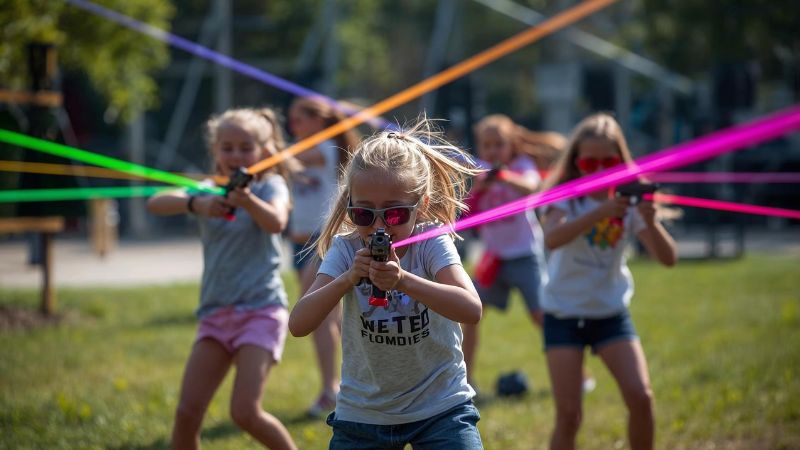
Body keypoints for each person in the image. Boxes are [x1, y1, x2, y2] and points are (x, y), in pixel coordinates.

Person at [288, 120, 485, 449]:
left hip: (440, 407)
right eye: (364, 215)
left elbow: (471, 308)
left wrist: (404, 280)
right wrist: (348, 279)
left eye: (394, 215)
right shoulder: (347, 248)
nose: (379, 225)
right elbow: (298, 323)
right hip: (364, 414)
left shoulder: (430, 241)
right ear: (351, 206)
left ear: (419, 206)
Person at [147, 107, 297, 450]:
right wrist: (195, 205)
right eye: (227, 147)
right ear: (215, 151)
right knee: (187, 413)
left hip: (261, 311)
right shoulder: (205, 190)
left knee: (244, 412)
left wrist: (247, 202)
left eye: (246, 147)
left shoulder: (270, 186)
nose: (235, 155)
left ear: (263, 150)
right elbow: (155, 203)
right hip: (216, 313)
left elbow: (276, 222)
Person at [540, 113, 677, 450]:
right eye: (590, 161)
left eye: (609, 161)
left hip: (610, 314)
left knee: (641, 397)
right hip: (563, 315)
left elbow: (668, 258)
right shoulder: (564, 196)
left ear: (621, 160)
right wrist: (598, 213)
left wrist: (651, 221)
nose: (600, 170)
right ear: (576, 162)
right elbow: (552, 239)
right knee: (569, 416)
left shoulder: (630, 203)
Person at [461, 114, 549, 393]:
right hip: (493, 258)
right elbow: (467, 212)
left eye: (499, 144)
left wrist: (504, 176)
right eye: (486, 145)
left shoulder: (522, 166)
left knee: (541, 315)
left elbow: (532, 188)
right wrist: (479, 187)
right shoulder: (480, 173)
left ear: (511, 145)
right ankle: (465, 380)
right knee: (470, 315)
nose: (492, 150)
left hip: (524, 254)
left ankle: (576, 373)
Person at [286, 95, 362, 418]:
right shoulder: (299, 151)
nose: (293, 126)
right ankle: (342, 385)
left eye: (299, 119)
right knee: (330, 321)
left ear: (319, 121)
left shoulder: (325, 150)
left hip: (323, 242)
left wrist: (266, 152)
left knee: (314, 313)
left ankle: (333, 388)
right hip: (299, 246)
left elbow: (288, 159)